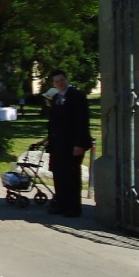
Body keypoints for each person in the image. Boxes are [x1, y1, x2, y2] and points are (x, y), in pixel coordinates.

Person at [44, 69, 92, 217]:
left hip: (72, 145)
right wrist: (48, 139)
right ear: (53, 83)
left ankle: (73, 208)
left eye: (61, 80)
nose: (59, 83)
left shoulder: (77, 96)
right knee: (59, 175)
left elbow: (82, 121)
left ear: (66, 80)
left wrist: (80, 144)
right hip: (58, 144)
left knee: (71, 176)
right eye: (56, 81)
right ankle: (61, 204)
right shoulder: (56, 97)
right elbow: (54, 122)